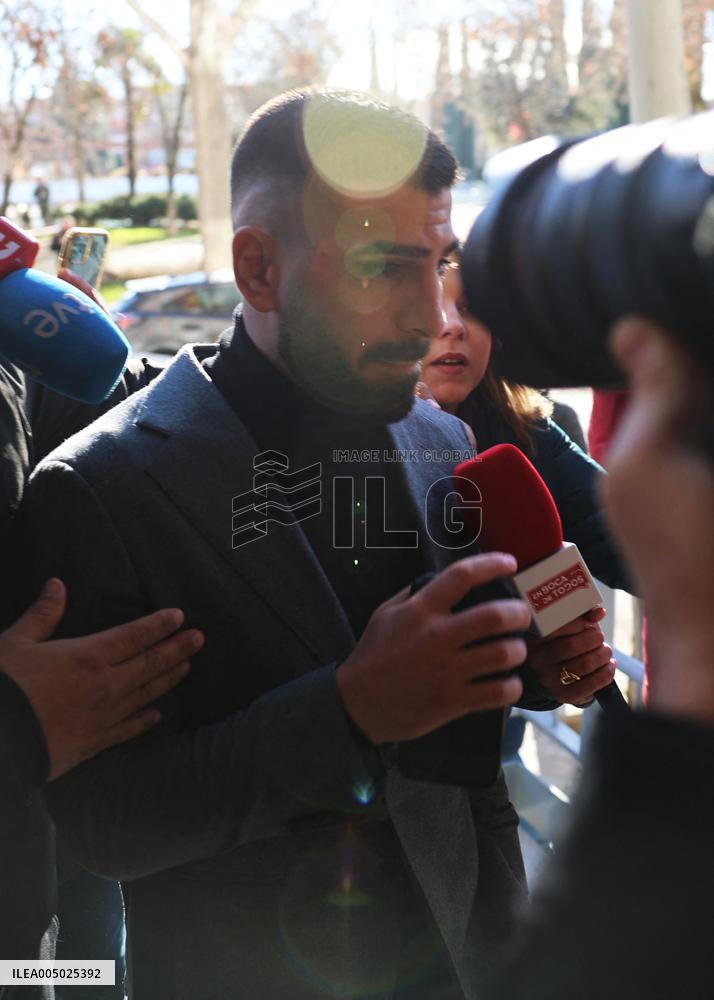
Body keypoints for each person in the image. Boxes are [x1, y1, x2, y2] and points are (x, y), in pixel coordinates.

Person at [18, 90, 610, 1000]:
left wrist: (530, 668)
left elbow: (457, 754)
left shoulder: (443, 442)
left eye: (442, 263)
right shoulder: (97, 490)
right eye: (385, 267)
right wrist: (348, 713)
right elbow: (105, 825)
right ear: (257, 268)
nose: (429, 315)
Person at [482, 317, 714, 999]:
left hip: (486, 807)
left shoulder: (532, 434)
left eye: (462, 294)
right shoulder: (362, 452)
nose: (445, 325)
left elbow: (619, 541)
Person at [0, 272, 203, 998]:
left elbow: (117, 391)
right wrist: (16, 722)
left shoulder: (19, 332)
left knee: (82, 970)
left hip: (29, 892)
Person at [418, 256, 632, 706]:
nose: (453, 326)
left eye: (471, 306)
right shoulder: (348, 456)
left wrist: (545, 674)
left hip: (484, 752)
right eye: (429, 302)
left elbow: (637, 540)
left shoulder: (529, 434)